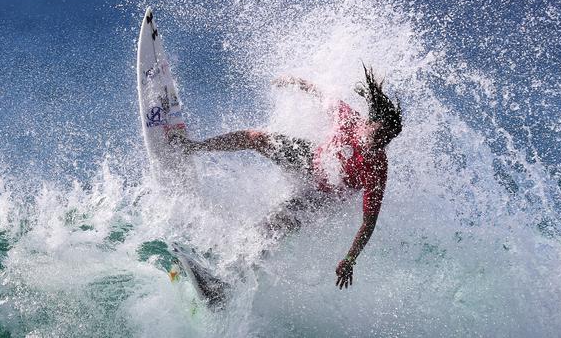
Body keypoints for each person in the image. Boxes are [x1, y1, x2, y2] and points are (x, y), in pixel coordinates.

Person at [172, 65, 402, 290]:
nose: (382, 142)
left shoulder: (376, 168)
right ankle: (193, 147)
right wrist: (295, 82)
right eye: (380, 134)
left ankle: (224, 284)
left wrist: (350, 259)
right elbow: (321, 94)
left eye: (387, 139)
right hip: (311, 159)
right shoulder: (349, 119)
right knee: (256, 138)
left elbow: (369, 222)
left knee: (272, 227)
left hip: (322, 196)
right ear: (370, 122)